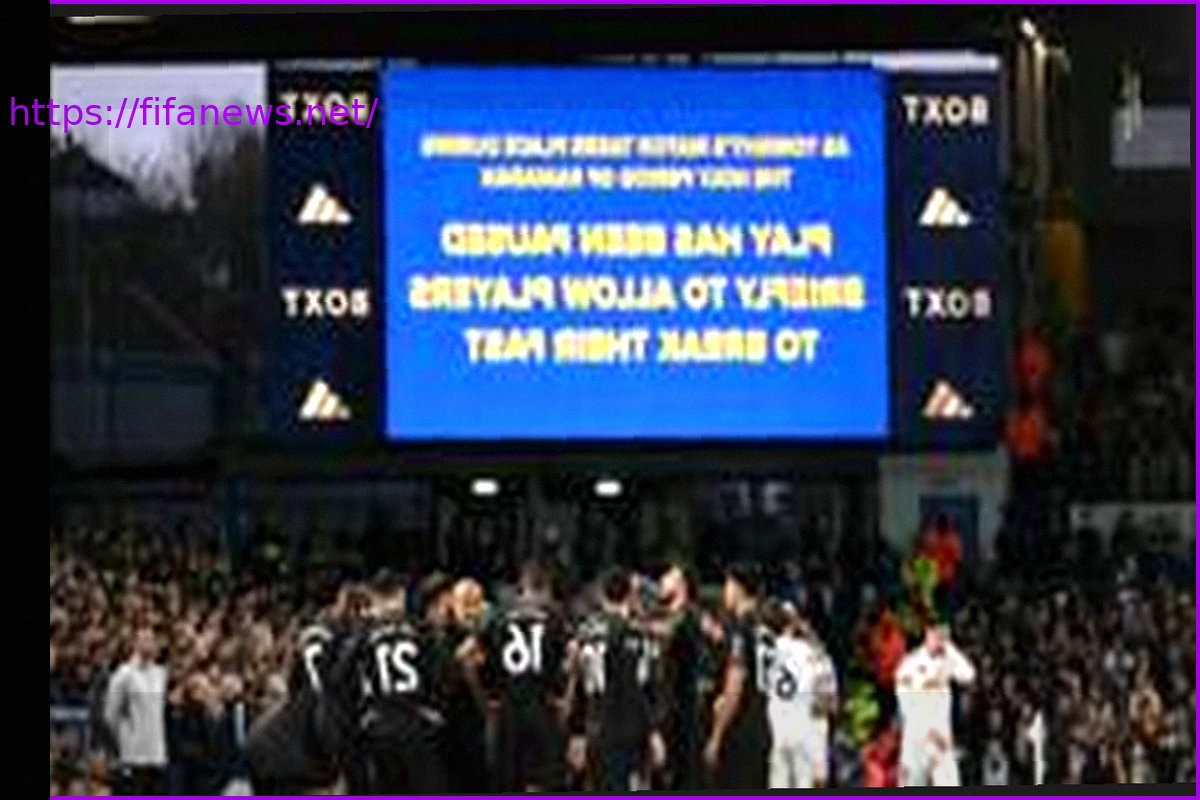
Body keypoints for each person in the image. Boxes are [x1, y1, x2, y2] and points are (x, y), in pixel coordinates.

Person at [324, 571, 466, 793]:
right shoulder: (419, 629)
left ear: (374, 597)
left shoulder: (364, 634)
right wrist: (436, 707)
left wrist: (361, 713)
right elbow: (446, 674)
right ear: (401, 595)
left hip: (380, 729)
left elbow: (338, 677)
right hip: (417, 725)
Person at [569, 567, 661, 791]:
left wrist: (577, 732)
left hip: (595, 727)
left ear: (602, 595)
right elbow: (640, 687)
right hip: (628, 730)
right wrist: (653, 731)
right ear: (629, 595)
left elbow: (578, 684)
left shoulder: (584, 633)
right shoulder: (636, 634)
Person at [483, 563, 569, 792]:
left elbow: (472, 657)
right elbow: (567, 662)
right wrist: (564, 696)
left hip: (508, 708)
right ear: (546, 588)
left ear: (522, 585)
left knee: (509, 783)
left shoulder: (498, 616)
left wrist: (488, 696)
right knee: (546, 783)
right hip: (542, 706)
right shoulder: (554, 617)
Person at [705, 563, 772, 792]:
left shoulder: (740, 630)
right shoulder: (765, 628)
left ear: (738, 588)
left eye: (727, 585)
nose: (724, 592)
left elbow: (734, 686)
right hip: (764, 724)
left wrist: (716, 736)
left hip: (741, 731)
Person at [894, 620, 976, 787]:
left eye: (944, 635)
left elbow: (969, 675)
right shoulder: (911, 662)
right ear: (928, 634)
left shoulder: (948, 660)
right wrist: (922, 729)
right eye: (937, 634)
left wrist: (951, 650)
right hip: (917, 735)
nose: (940, 639)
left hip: (941, 736)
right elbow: (904, 700)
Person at [651, 564, 706, 790]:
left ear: (681, 585)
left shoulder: (689, 617)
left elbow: (667, 632)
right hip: (668, 708)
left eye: (668, 577)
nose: (661, 581)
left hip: (681, 712)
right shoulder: (668, 616)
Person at [104, 626, 168, 795]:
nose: (149, 644)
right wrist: (123, 741)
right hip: (133, 755)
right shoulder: (123, 675)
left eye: (152, 640)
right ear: (134, 644)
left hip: (156, 754)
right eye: (144, 640)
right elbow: (111, 714)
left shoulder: (160, 674)